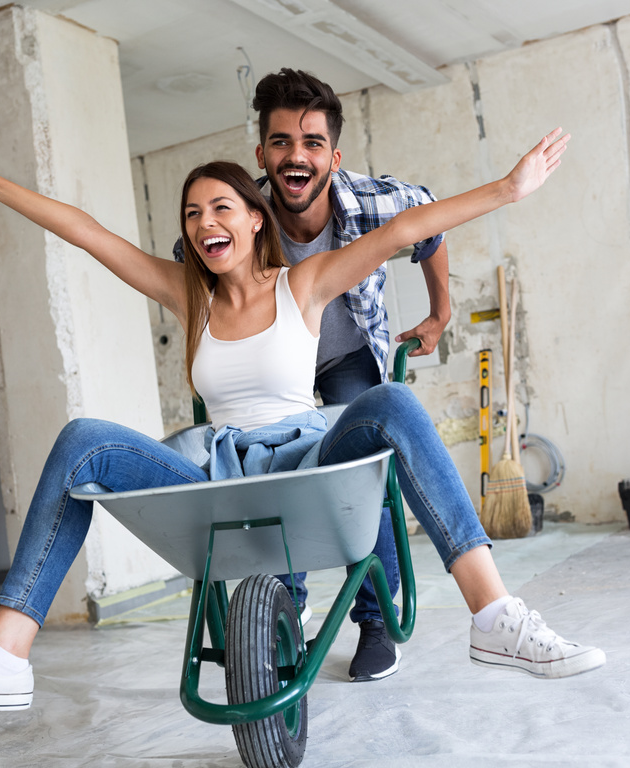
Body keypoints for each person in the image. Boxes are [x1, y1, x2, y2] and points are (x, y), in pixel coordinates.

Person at [0, 125, 604, 714]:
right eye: (192, 215)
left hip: (309, 464)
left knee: (390, 401)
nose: (204, 222)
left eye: (221, 207)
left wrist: (509, 189)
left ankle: (493, 615)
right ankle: (2, 655)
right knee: (83, 440)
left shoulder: (304, 284)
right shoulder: (189, 297)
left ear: (255, 219)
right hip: (219, 470)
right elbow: (88, 233)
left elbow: (402, 229)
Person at [174, 69, 450, 682]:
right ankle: (283, 609)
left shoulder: (373, 200)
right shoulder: (236, 217)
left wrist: (440, 313)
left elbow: (426, 223)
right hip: (273, 372)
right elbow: (192, 273)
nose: (296, 158)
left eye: (312, 144)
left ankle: (375, 619)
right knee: (273, 469)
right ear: (262, 155)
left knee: (363, 473)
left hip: (348, 352)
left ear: (333, 153)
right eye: (281, 143)